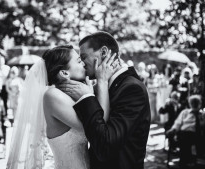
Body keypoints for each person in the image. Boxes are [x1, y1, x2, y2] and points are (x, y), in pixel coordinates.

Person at [7, 45, 120, 169]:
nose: (83, 63)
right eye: (78, 61)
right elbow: (99, 125)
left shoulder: (74, 95)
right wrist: (102, 81)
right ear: (64, 73)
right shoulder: (52, 96)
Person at [58, 31, 151, 169]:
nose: (82, 64)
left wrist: (87, 98)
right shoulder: (105, 85)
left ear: (103, 52)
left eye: (83, 57)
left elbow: (105, 147)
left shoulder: (131, 89)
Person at [166, 95, 205, 167]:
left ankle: (189, 160)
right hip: (184, 134)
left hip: (198, 135)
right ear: (190, 104)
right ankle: (186, 161)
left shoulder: (202, 114)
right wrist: (173, 130)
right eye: (193, 102)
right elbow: (178, 123)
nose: (194, 104)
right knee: (185, 138)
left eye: (196, 102)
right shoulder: (185, 112)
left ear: (200, 104)